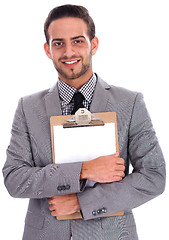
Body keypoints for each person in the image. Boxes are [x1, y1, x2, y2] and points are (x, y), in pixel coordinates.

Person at [2, 4, 166, 240]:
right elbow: (14, 179)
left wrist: (81, 203)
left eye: (78, 41)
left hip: (112, 234)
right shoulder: (28, 108)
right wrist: (84, 170)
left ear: (94, 44)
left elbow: (154, 176)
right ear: (48, 50)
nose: (69, 52)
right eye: (59, 43)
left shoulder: (129, 103)